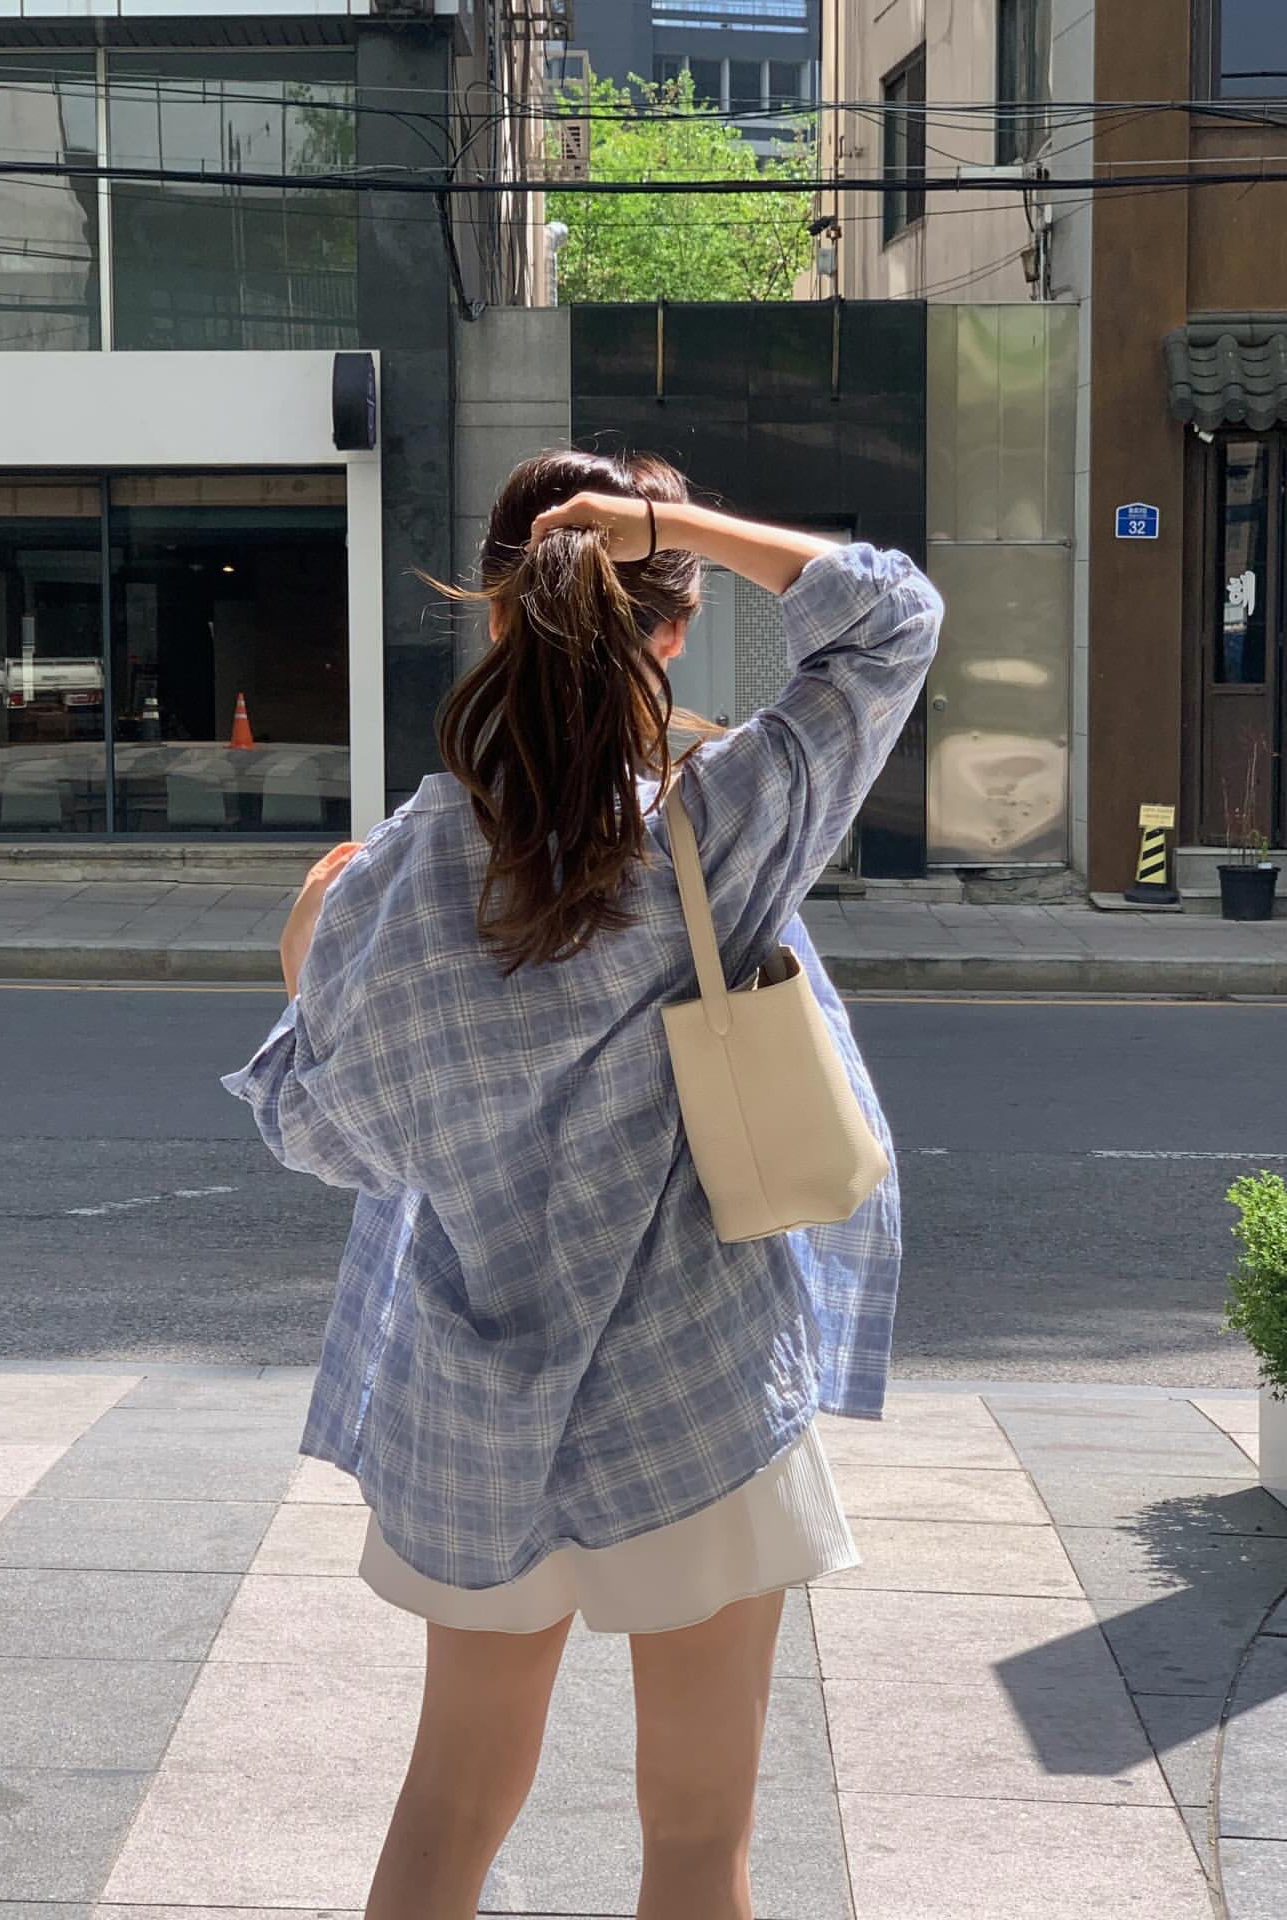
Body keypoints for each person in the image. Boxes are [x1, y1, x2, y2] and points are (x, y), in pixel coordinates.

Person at [224, 449, 942, 1920]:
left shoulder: (391, 880)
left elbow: (329, 1140)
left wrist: (305, 959)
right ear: (673, 628)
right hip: (696, 1392)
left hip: (472, 1416)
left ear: (494, 615)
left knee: (449, 1807)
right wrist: (673, 526)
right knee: (697, 1836)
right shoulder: (717, 824)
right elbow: (892, 620)